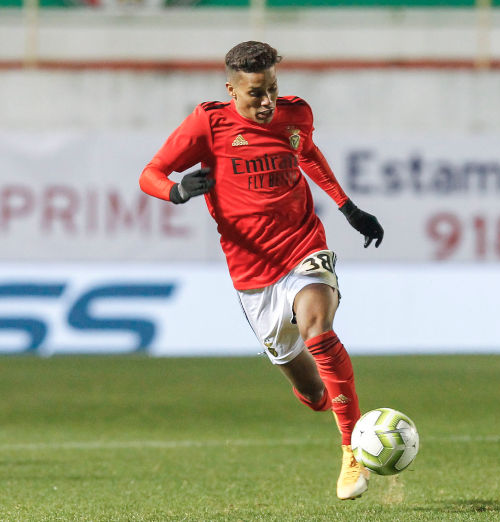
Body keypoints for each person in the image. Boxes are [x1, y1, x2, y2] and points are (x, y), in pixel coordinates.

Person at [139, 41, 384, 501]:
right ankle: (324, 399)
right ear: (230, 88)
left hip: (303, 245)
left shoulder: (296, 114)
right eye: (256, 93)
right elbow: (149, 173)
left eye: (272, 89)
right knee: (313, 395)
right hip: (253, 273)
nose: (267, 101)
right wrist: (176, 191)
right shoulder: (207, 125)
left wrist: (347, 208)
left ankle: (351, 450)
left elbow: (307, 152)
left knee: (318, 329)